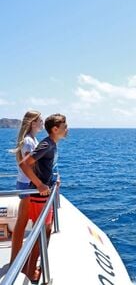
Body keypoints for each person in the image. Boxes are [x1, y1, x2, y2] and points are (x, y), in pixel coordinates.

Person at [19, 113, 68, 282]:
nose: (67, 129)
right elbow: (24, 164)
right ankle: (30, 270)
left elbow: (46, 166)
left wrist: (54, 179)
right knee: (41, 233)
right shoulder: (46, 144)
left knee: (46, 232)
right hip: (40, 197)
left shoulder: (52, 144)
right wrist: (39, 185)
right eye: (65, 126)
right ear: (55, 129)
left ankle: (35, 266)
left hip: (47, 194)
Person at [10, 110, 44, 264]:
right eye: (40, 120)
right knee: (22, 222)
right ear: (33, 123)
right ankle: (15, 261)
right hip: (27, 185)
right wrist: (39, 184)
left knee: (22, 222)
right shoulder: (29, 141)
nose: (42, 122)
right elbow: (27, 166)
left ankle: (16, 259)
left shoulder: (31, 139)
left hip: (27, 183)